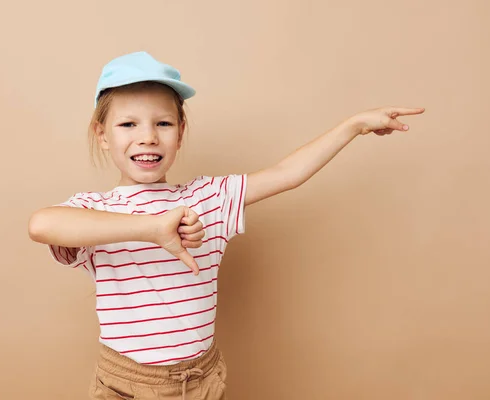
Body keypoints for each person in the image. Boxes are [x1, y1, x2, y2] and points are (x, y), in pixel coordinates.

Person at [28, 51, 425, 400]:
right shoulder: (95, 212)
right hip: (124, 382)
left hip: (200, 379)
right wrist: (151, 229)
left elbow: (288, 173)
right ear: (101, 135)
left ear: (180, 134)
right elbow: (42, 224)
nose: (147, 137)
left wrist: (353, 126)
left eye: (163, 124)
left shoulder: (209, 198)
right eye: (128, 125)